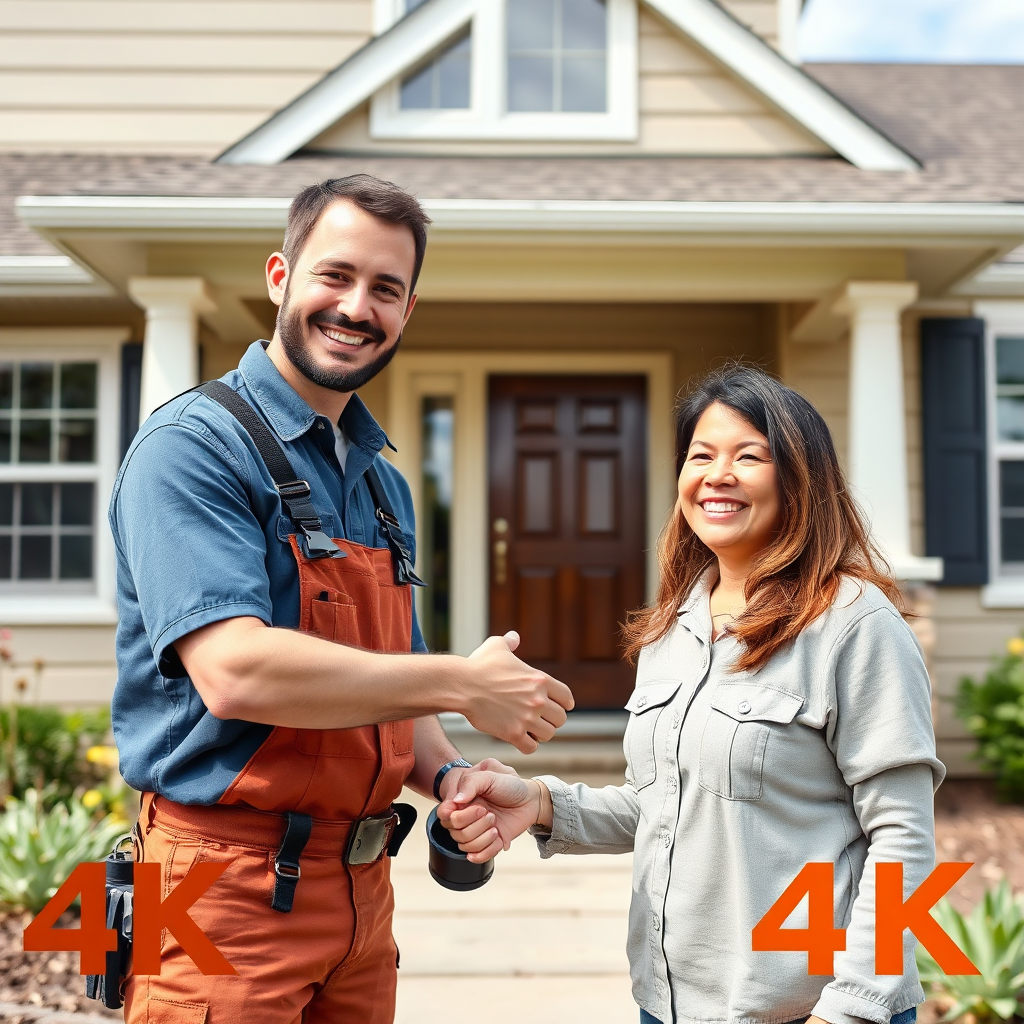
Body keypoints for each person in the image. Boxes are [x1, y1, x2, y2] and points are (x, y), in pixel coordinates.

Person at [109, 174, 574, 1023]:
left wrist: (454, 776)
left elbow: (396, 693)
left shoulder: (383, 483)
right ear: (281, 277)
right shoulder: (192, 449)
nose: (357, 306)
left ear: (408, 311)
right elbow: (236, 672)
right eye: (336, 275)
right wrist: (463, 682)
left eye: (385, 289)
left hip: (362, 899)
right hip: (219, 888)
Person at [441, 365, 944, 1024]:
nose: (717, 474)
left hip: (807, 1009)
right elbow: (669, 807)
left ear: (800, 478)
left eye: (749, 456)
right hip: (672, 1003)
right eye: (701, 455)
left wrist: (851, 1007)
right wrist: (539, 804)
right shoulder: (676, 624)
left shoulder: (853, 622)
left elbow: (903, 840)